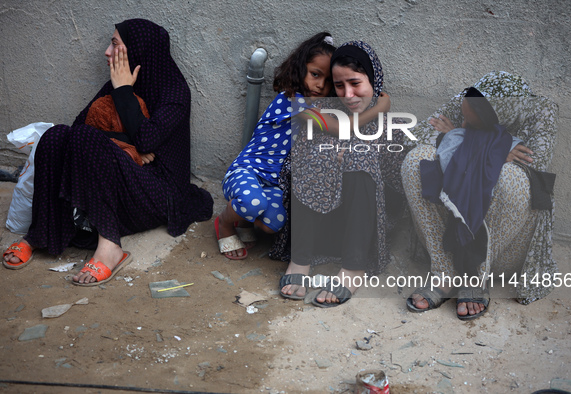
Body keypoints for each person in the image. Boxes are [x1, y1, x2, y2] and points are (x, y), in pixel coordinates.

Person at [3, 19, 214, 286]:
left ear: (137, 50)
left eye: (114, 44)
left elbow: (147, 140)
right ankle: (40, 234)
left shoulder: (175, 93)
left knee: (85, 138)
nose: (106, 51)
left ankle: (110, 246)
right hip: (124, 180)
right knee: (56, 136)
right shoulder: (116, 84)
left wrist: (124, 91)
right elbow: (78, 129)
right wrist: (124, 145)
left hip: (159, 192)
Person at [402, 71, 558, 319]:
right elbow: (420, 135)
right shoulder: (471, 97)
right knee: (415, 161)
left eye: (470, 124)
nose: (462, 123)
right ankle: (445, 274)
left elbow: (532, 163)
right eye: (461, 120)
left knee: (509, 177)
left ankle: (476, 278)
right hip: (448, 235)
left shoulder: (542, 111)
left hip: (504, 242)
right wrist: (491, 149)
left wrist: (456, 136)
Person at [281, 41, 404, 307]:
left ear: (374, 80)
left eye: (355, 83)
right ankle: (299, 261)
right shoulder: (323, 113)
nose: (348, 94)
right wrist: (331, 161)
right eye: (339, 86)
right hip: (317, 228)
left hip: (364, 234)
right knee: (314, 154)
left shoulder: (393, 126)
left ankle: (353, 270)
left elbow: (398, 185)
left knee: (360, 157)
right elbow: (296, 165)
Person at [215, 32, 336, 260]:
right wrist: (379, 107)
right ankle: (225, 223)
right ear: (300, 68)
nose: (320, 85)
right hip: (247, 171)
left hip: (274, 181)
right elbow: (336, 127)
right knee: (252, 203)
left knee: (274, 224)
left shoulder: (317, 105)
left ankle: (244, 216)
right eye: (315, 74)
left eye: (328, 81)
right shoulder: (291, 99)